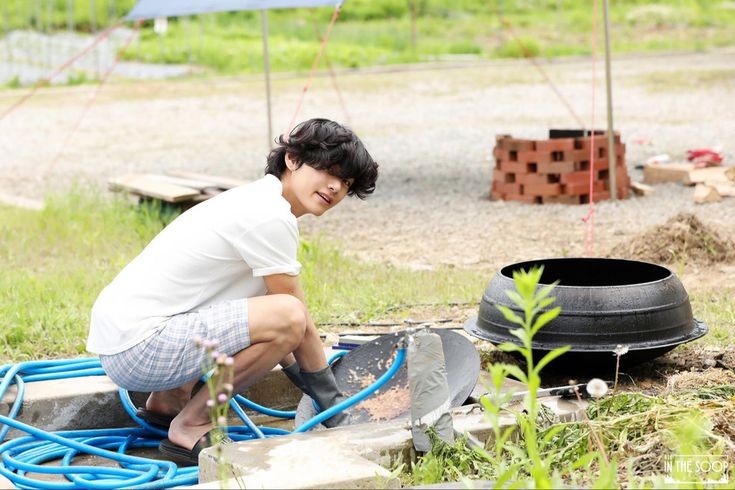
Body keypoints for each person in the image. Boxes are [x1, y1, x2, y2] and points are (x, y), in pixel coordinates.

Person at [86, 118, 379, 464]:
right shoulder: (269, 215)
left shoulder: (256, 200)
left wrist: (307, 377)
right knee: (289, 315)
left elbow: (270, 321)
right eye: (328, 170)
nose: (334, 187)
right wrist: (334, 405)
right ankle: (191, 424)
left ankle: (168, 403)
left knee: (273, 314)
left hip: (126, 341)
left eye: (345, 182)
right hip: (141, 347)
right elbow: (293, 320)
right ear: (292, 159)